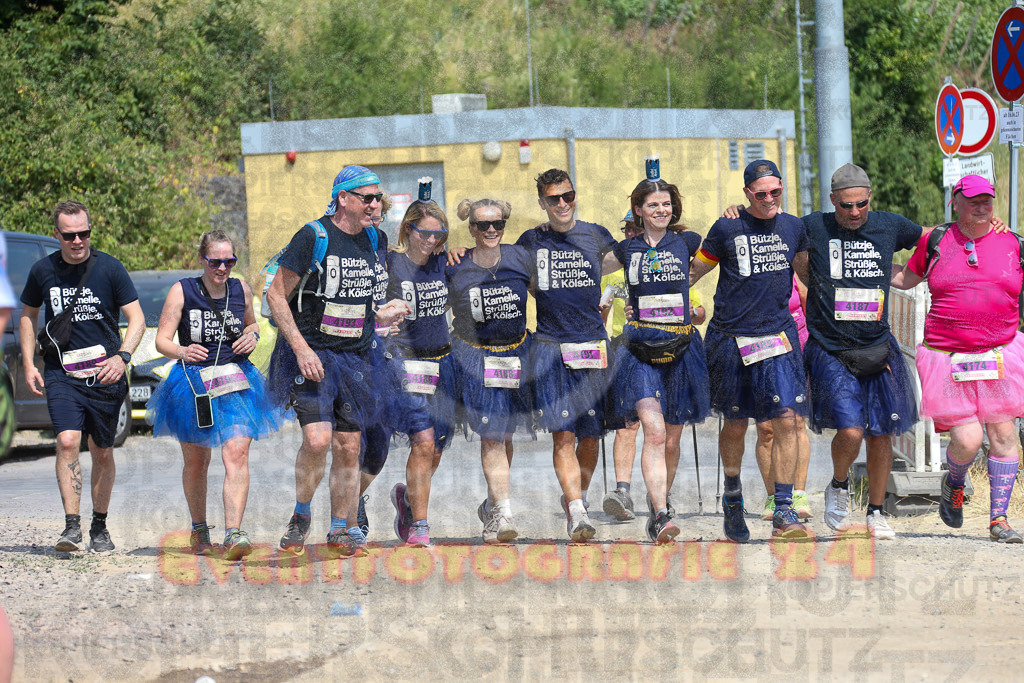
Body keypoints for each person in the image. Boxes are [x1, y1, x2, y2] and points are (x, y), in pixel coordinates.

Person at [267, 166, 409, 558]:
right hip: (313, 354)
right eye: (367, 197)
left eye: (378, 197)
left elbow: (361, 298)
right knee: (317, 440)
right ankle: (301, 512)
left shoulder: (375, 239)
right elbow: (276, 297)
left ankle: (340, 529)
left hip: (358, 356)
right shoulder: (313, 236)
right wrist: (301, 349)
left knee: (349, 446)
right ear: (343, 198)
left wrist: (381, 314)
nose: (375, 204)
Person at [893, 174, 1024, 542]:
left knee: (1002, 431)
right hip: (947, 356)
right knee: (966, 440)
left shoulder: (1013, 243)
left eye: (988, 201)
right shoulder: (936, 240)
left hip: (1000, 352)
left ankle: (999, 519)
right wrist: (859, 274)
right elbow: (906, 279)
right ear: (956, 201)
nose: (982, 207)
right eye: (974, 201)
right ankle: (954, 482)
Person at [689, 160, 810, 541]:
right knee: (737, 423)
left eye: (777, 191)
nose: (770, 199)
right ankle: (733, 496)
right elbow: (694, 271)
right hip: (731, 339)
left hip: (778, 337)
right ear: (746, 195)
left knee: (787, 419)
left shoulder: (793, 226)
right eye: (761, 194)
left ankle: (784, 508)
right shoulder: (727, 226)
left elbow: (807, 275)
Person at [148, 230, 286, 560]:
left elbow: (252, 325)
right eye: (215, 261)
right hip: (193, 383)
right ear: (202, 259)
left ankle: (234, 533)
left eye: (229, 261)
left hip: (236, 380)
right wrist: (182, 350)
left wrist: (251, 338)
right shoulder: (182, 291)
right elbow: (161, 340)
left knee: (237, 451)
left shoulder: (241, 289)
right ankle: (199, 530)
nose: (222, 268)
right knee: (197, 461)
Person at [19, 201, 145, 553]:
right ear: (57, 235)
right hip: (62, 373)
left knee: (102, 452)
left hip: (105, 375)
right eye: (70, 235)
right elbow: (28, 316)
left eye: (84, 233)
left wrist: (122, 357)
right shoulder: (42, 271)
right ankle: (71, 528)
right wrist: (29, 363)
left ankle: (99, 526)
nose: (78, 241)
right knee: (68, 442)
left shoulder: (110, 268)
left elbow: (137, 319)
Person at [607, 158, 711, 542]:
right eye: (652, 205)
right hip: (638, 351)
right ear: (638, 209)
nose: (660, 210)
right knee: (651, 431)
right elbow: (586, 270)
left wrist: (737, 212)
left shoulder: (688, 242)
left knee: (670, 436)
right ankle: (662, 514)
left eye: (666, 204)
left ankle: (657, 502)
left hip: (681, 348)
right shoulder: (626, 249)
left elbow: (729, 245)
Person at [516, 168, 618, 541]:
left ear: (575, 196)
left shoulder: (596, 235)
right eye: (553, 199)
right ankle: (576, 512)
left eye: (568, 196)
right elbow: (519, 279)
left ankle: (581, 498)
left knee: (591, 436)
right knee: (563, 435)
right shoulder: (530, 240)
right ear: (542, 203)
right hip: (551, 348)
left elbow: (626, 257)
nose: (562, 204)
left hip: (592, 346)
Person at [446, 197, 534, 543]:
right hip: (474, 358)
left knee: (506, 435)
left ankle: (492, 504)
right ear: (472, 229)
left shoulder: (519, 257)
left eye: (498, 224)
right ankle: (504, 513)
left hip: (515, 357)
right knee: (492, 436)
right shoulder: (455, 264)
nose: (492, 230)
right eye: (483, 225)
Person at [387, 180, 459, 548]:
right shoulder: (391, 263)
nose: (431, 240)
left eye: (439, 234)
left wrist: (457, 251)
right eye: (424, 233)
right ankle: (420, 524)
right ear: (407, 229)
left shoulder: (444, 265)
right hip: (404, 365)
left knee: (437, 447)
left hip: (442, 365)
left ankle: (407, 499)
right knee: (423, 441)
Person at [755, 276, 813, 521]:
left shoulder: (792, 264)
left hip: (795, 346)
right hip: (758, 345)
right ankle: (773, 498)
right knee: (766, 428)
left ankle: (798, 494)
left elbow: (809, 305)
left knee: (796, 422)